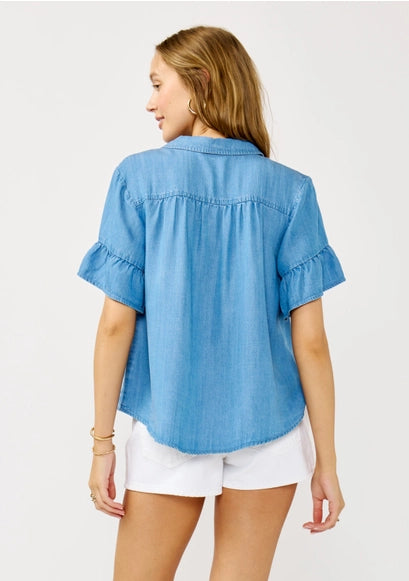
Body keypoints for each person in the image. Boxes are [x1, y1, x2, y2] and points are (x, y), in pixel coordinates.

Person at [78, 25, 346, 581]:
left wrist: (103, 445)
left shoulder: (138, 179)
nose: (150, 103)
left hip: (170, 421)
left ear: (200, 82)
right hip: (269, 427)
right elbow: (312, 344)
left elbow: (114, 327)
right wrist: (326, 460)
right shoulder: (290, 191)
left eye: (158, 85)